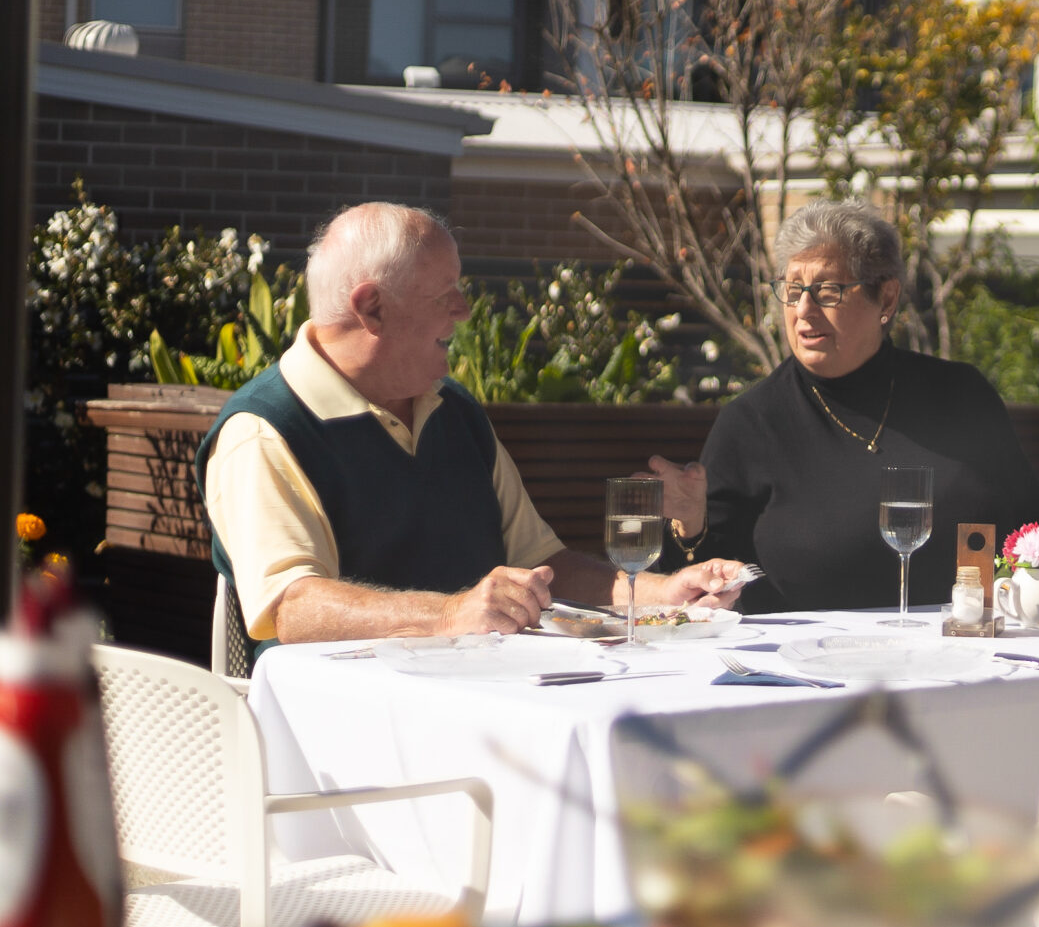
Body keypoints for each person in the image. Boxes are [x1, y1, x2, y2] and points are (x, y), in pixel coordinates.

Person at [199, 203, 747, 644]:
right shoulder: (263, 430)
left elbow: (544, 565)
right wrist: (450, 615)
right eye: (444, 295)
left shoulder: (454, 410)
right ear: (372, 309)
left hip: (484, 701)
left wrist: (660, 593)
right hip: (349, 738)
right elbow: (293, 607)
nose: (464, 310)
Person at [671, 200, 1039, 613]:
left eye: (828, 290)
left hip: (963, 653)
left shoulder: (960, 396)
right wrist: (691, 528)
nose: (803, 310)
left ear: (887, 297)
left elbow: (1029, 524)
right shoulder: (752, 423)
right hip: (807, 672)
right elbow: (704, 580)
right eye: (793, 290)